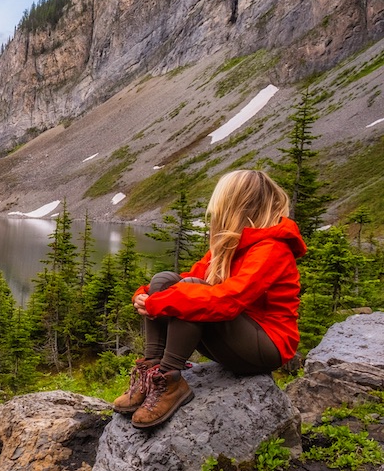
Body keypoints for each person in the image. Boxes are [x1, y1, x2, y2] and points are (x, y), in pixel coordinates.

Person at [113, 169, 307, 429]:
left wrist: (158, 304)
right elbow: (188, 278)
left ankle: (170, 380)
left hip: (267, 346)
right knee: (165, 280)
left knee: (192, 292)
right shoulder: (232, 243)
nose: (215, 210)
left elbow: (228, 300)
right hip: (236, 336)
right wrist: (146, 294)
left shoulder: (272, 248)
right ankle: (151, 375)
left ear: (237, 204)